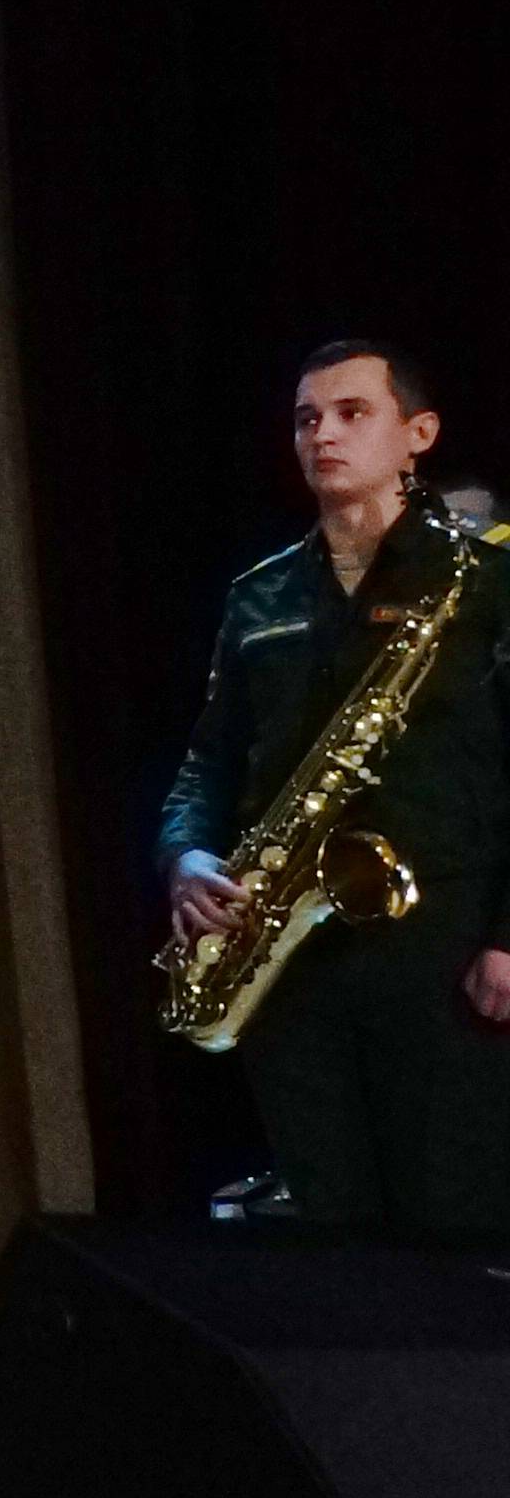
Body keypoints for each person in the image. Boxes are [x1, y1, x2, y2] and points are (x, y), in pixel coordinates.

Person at [160, 342, 510, 1239]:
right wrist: (185, 855)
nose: (323, 434)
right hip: (292, 958)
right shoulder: (259, 594)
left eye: (353, 413)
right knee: (331, 1238)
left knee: (454, 1229)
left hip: (445, 952)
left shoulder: (483, 583)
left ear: (418, 433)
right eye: (306, 418)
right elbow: (208, 760)